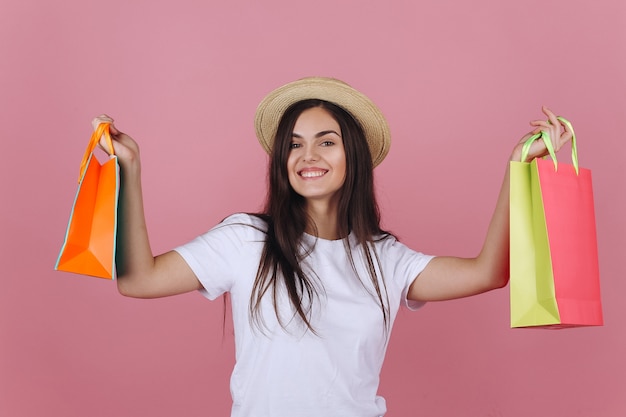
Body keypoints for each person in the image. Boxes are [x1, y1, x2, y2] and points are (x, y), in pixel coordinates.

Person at [92, 77, 573, 417]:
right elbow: (138, 280)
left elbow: (488, 272)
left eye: (326, 142)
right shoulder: (245, 240)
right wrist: (130, 169)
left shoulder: (385, 258)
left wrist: (519, 168)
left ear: (353, 157)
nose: (307, 157)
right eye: (295, 144)